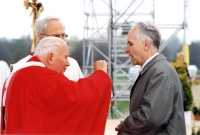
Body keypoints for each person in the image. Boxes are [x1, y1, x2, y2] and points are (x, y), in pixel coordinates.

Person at [1, 37, 112, 134]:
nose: (68, 63)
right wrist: (100, 75)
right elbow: (80, 95)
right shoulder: (41, 77)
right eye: (65, 57)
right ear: (50, 57)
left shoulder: (18, 74)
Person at [115, 22, 186, 135]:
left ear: (146, 44)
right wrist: (129, 125)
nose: (126, 49)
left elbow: (150, 118)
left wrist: (126, 127)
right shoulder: (153, 70)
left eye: (130, 44)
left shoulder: (160, 72)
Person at [11, 16, 83, 82]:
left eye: (63, 35)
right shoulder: (22, 67)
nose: (62, 40)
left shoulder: (72, 64)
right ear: (40, 37)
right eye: (56, 36)